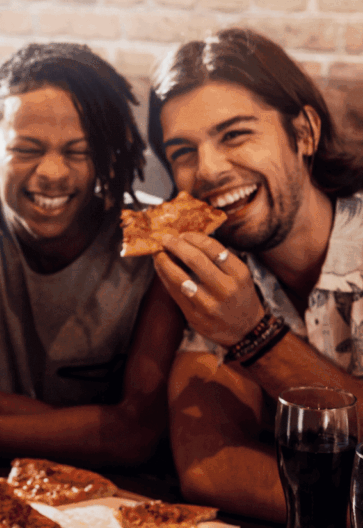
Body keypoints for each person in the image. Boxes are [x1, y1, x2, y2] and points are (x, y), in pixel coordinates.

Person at [0, 43, 184, 468]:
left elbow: (138, 434)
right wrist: (102, 432)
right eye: (27, 149)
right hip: (0, 480)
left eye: (78, 151)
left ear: (107, 157)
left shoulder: (156, 239)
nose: (53, 173)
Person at [147, 27, 363, 521]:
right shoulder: (213, 272)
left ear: (304, 133)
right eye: (183, 152)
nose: (208, 170)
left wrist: (253, 335)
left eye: (235, 135)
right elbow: (210, 468)